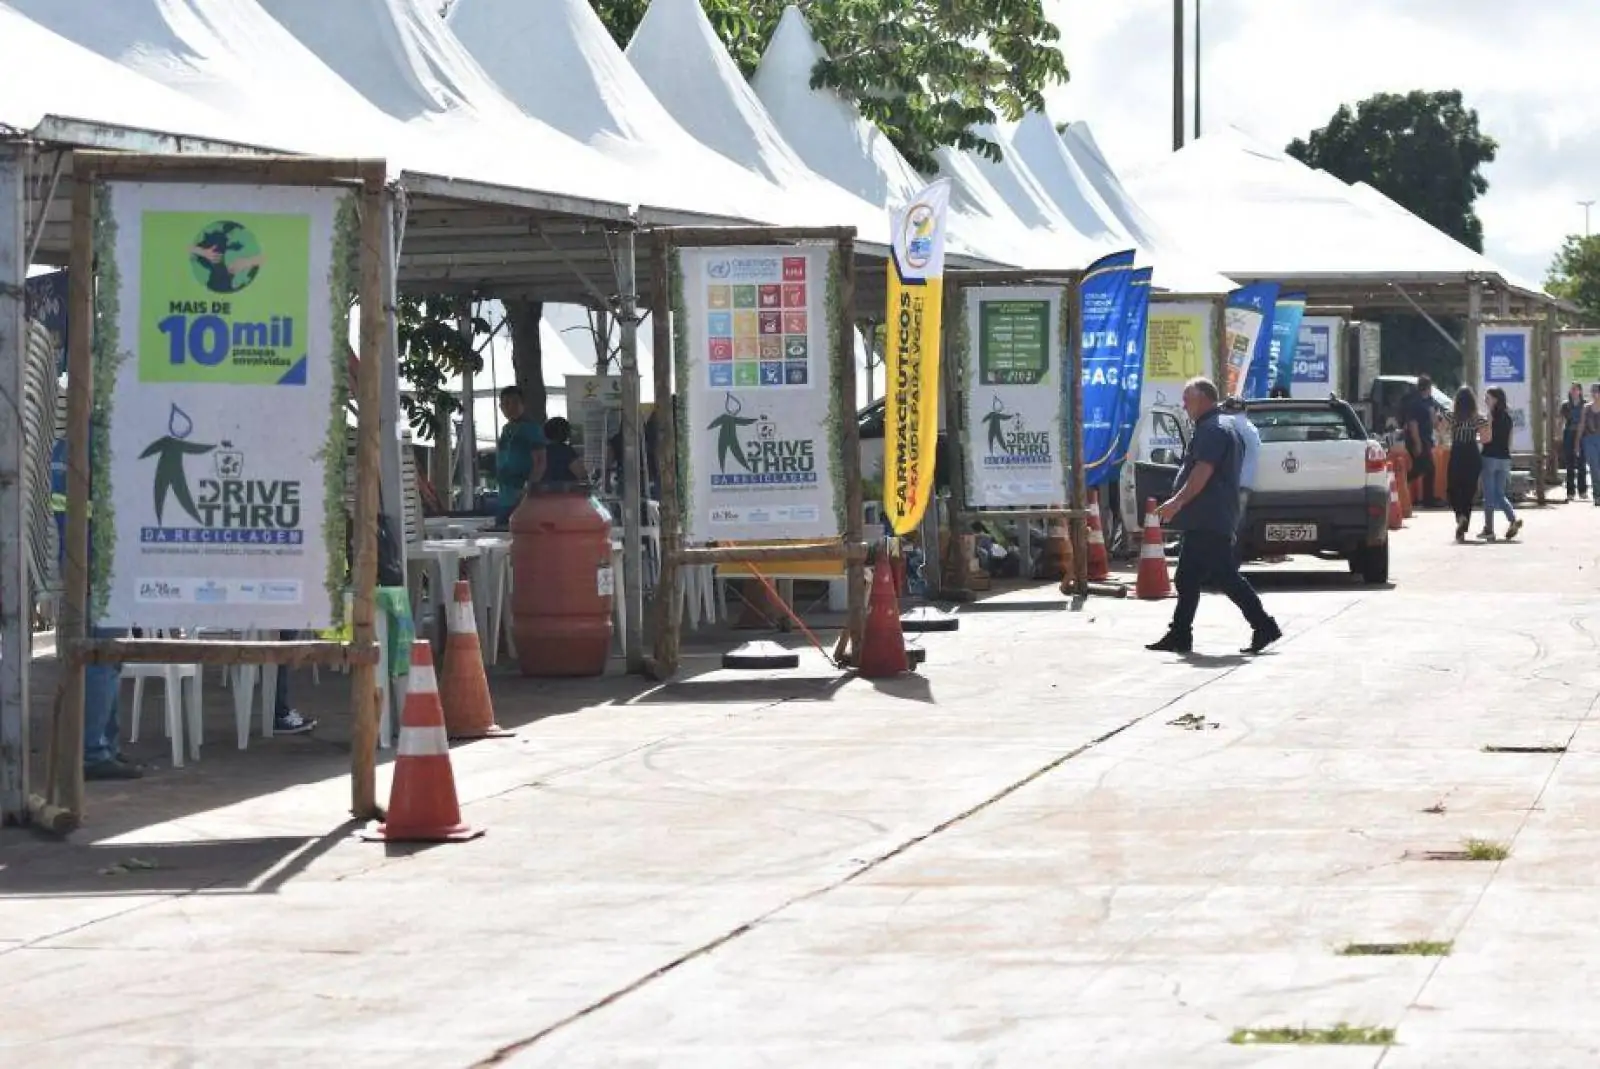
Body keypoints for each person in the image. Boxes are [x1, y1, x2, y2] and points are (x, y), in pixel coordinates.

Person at [1147, 377, 1281, 656]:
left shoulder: (1213, 430)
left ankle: (1264, 625)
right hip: (1206, 516)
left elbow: (1201, 473)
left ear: (1204, 399)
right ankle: (1180, 634)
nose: (1184, 406)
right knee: (1187, 577)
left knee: (1225, 576)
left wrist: (1176, 502)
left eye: (1188, 400)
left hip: (1210, 516)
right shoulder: (1218, 426)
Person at [495, 386, 545, 524]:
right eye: (506, 404)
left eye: (515, 402)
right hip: (505, 495)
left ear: (523, 404)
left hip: (522, 495)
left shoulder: (532, 429)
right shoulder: (506, 429)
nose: (510, 407)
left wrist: (529, 489)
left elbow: (540, 462)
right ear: (500, 407)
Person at [1444, 386, 1488, 542]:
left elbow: (1442, 431)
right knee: (1469, 490)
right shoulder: (1479, 417)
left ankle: (1460, 516)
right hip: (1472, 453)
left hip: (1457, 452)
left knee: (1453, 488)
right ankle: (1464, 523)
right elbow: (1485, 438)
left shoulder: (1451, 416)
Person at [1479, 387, 1522, 542]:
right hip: (1504, 459)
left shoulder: (1489, 416)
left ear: (1496, 399)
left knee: (1489, 495)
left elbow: (1486, 438)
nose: (1485, 399)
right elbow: (1509, 442)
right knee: (1500, 494)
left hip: (1489, 457)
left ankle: (1489, 529)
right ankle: (1513, 520)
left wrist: (1479, 438)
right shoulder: (1509, 418)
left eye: (1488, 397)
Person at [1221, 397, 1261, 553]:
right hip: (1246, 483)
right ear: (1245, 410)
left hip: (1229, 482)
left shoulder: (1227, 424)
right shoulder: (1252, 428)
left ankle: (1226, 563)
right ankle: (1233, 560)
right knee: (1236, 526)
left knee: (1225, 527)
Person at [1404, 375, 1442, 508]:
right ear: (1427, 387)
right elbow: (1412, 424)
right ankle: (1401, 481)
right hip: (1417, 439)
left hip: (1426, 439)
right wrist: (1417, 443)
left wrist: (1436, 418)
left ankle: (1428, 499)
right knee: (1425, 468)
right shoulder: (1416, 403)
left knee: (1426, 469)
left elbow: (1434, 421)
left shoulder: (1430, 401)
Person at [539, 417, 588, 486]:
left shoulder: (540, 450)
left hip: (542, 491)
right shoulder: (566, 451)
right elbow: (581, 474)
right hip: (564, 492)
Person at [1560, 382, 1588, 501]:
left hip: (1582, 434)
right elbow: (1560, 420)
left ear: (1580, 391)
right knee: (1569, 463)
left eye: (1576, 389)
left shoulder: (1585, 404)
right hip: (1569, 434)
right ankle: (1570, 491)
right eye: (1572, 389)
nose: (1574, 391)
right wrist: (1558, 434)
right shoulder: (1565, 405)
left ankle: (1582, 491)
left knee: (1582, 463)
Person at [1582, 384, 1600, 507]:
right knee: (1594, 469)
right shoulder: (1586, 408)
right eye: (1592, 391)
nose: (1594, 393)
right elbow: (1581, 425)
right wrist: (1577, 443)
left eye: (1596, 391)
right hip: (1589, 440)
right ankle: (1597, 496)